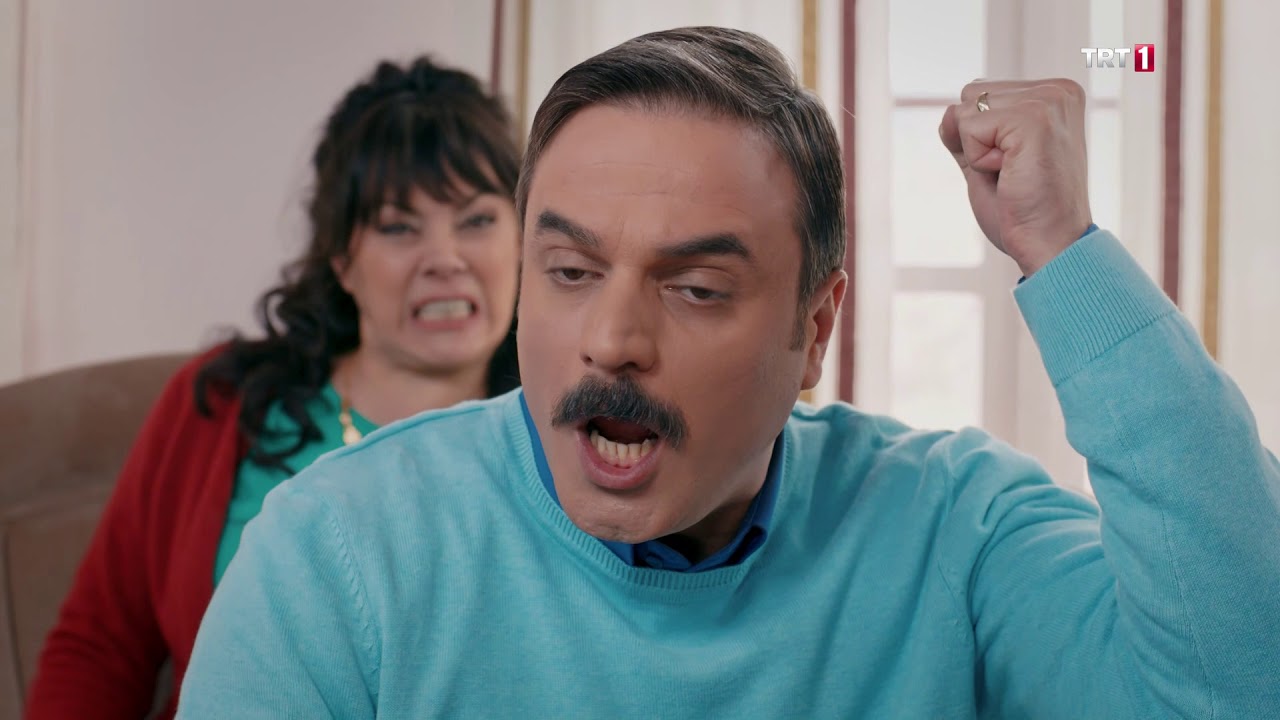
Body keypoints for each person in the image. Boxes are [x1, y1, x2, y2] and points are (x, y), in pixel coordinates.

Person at [176, 27, 1280, 719]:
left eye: (696, 288)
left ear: (815, 329)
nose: (611, 339)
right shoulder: (334, 553)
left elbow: (1240, 684)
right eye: (569, 272)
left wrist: (1064, 254)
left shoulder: (956, 530)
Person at [24, 55, 522, 720]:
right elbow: (98, 649)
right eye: (398, 226)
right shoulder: (220, 403)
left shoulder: (562, 434)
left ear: (527, 239)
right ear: (342, 258)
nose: (445, 259)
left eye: (477, 219)